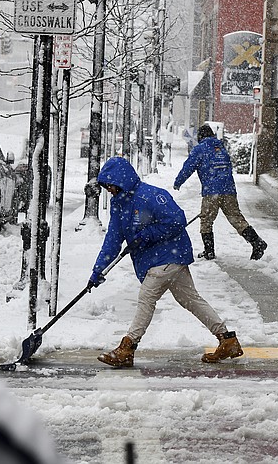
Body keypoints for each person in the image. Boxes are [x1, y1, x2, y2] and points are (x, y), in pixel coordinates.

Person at [89, 156, 244, 368]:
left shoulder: (150, 196)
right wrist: (99, 270)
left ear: (120, 181)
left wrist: (147, 235)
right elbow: (113, 239)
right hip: (161, 260)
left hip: (168, 256)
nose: (109, 190)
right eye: (106, 186)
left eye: (111, 185)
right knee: (190, 299)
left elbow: (177, 220)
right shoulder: (119, 204)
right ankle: (227, 339)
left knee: (146, 297)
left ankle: (128, 347)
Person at [173, 124, 267, 261]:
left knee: (206, 220)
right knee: (236, 218)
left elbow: (188, 167)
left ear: (200, 137)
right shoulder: (221, 147)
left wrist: (178, 182)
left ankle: (209, 251)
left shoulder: (200, 149)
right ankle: (256, 242)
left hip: (212, 191)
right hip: (229, 189)